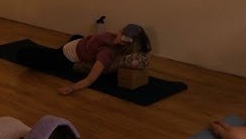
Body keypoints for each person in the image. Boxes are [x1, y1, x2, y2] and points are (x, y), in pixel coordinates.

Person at [15, 23, 152, 95]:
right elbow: (90, 79)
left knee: (76, 38)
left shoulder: (111, 37)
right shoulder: (107, 52)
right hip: (66, 56)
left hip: (80, 42)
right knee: (25, 55)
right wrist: (72, 88)